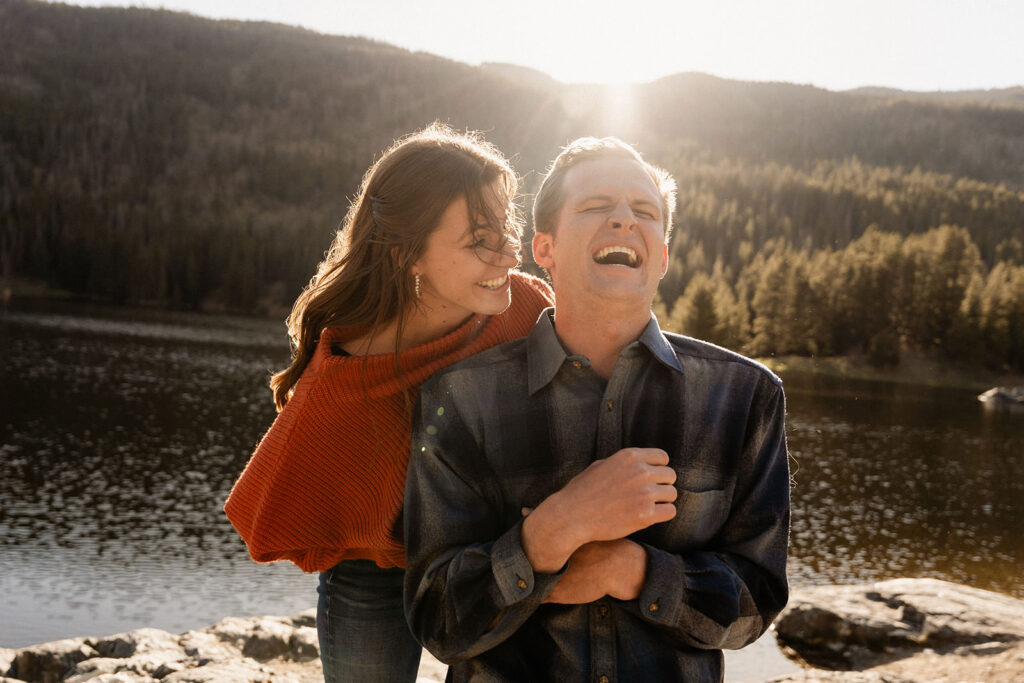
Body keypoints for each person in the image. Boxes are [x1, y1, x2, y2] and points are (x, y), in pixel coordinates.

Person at [404, 137, 790, 681]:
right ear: (545, 250)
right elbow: (436, 619)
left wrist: (634, 572)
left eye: (645, 212)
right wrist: (554, 531)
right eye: (594, 207)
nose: (623, 220)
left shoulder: (747, 397)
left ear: (662, 257)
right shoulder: (459, 400)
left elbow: (757, 603)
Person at [223, 123, 554, 683]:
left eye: (508, 225)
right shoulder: (347, 378)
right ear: (408, 256)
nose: (509, 250)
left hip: (496, 552)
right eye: (480, 239)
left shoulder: (528, 308)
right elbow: (276, 513)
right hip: (375, 572)